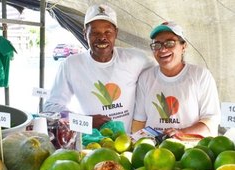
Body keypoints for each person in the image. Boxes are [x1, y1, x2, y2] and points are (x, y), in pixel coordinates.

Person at [43, 3, 153, 133]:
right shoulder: (71, 65)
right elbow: (50, 108)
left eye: (108, 32)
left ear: (116, 33)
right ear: (85, 34)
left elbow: (159, 77)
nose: (102, 37)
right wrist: (86, 121)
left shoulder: (135, 59)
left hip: (127, 144)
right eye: (95, 33)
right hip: (92, 144)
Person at [132, 21, 220, 137]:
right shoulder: (146, 78)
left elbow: (211, 121)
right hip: (153, 151)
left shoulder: (200, 76)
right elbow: (139, 122)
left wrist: (181, 133)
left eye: (170, 43)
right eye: (157, 45)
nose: (163, 49)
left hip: (190, 151)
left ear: (183, 46)